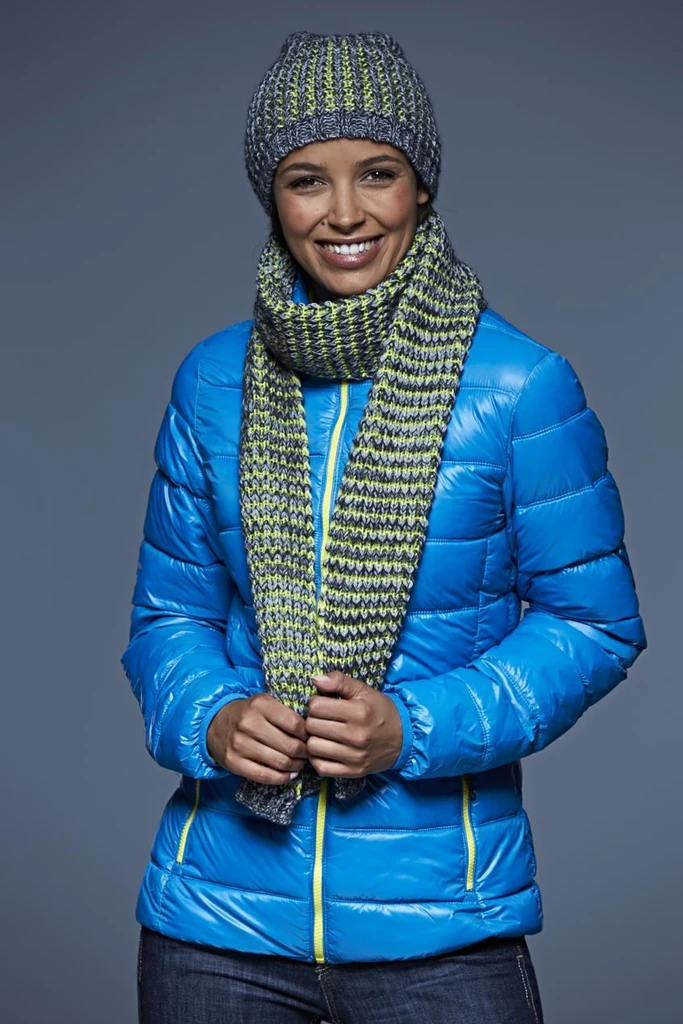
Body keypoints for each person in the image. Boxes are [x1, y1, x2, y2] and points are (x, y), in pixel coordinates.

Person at [121, 31, 646, 1024]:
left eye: (376, 172)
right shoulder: (211, 380)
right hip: (215, 925)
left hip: (440, 930)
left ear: (420, 185)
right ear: (272, 199)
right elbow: (168, 618)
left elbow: (593, 624)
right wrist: (213, 718)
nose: (344, 212)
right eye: (305, 180)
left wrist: (411, 727)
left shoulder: (520, 385)